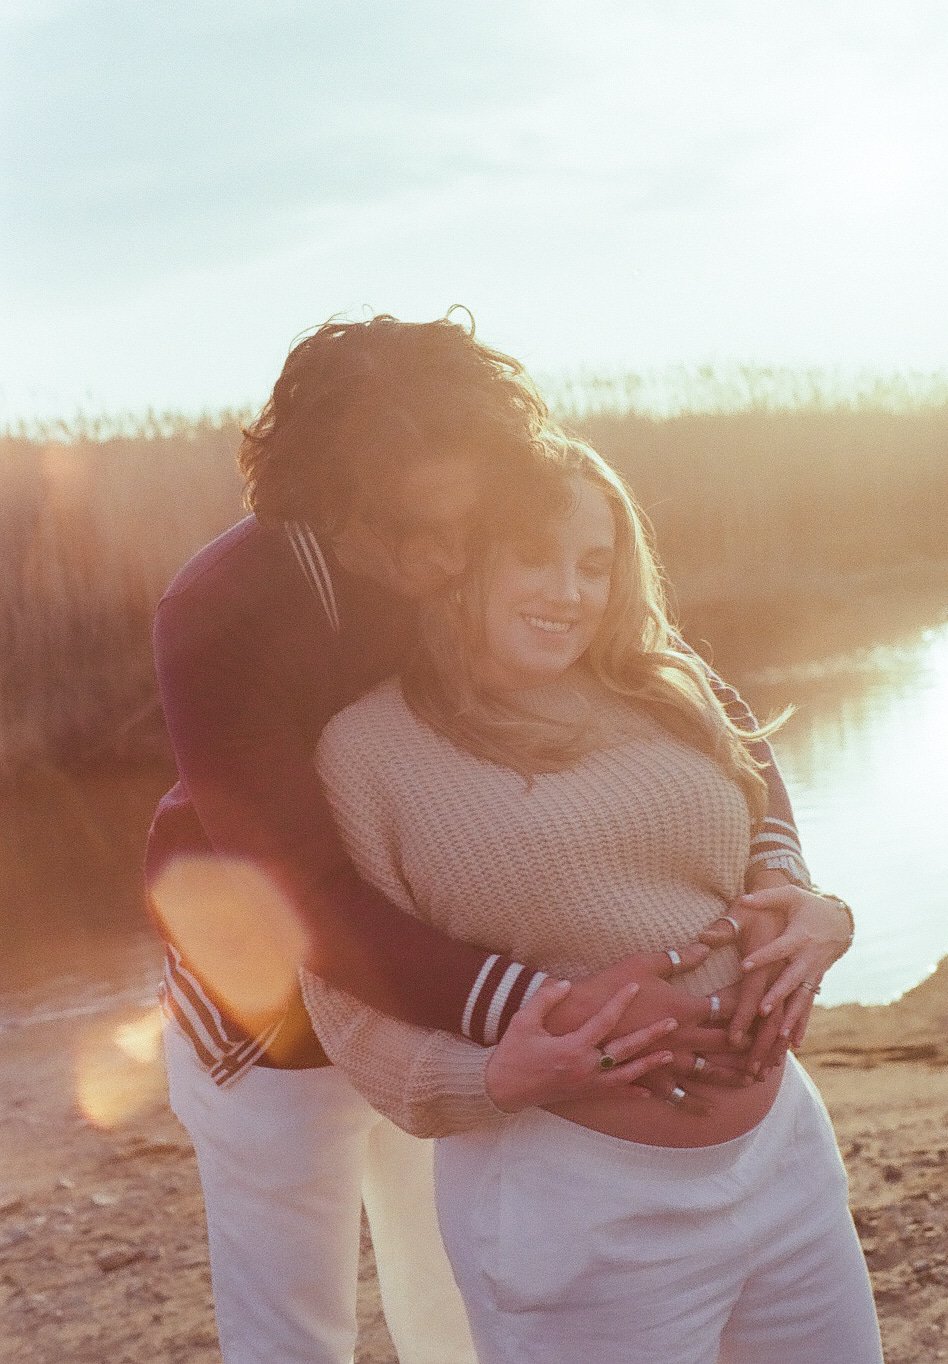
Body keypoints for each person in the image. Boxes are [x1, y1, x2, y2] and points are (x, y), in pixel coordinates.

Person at [148, 312, 825, 1363]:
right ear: (319, 507)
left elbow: (682, 686)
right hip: (276, 1015)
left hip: (460, 997)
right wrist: (549, 1009)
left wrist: (781, 869)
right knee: (292, 1334)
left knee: (458, 1317)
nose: (433, 559)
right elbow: (304, 892)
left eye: (454, 522)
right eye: (397, 530)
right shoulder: (219, 610)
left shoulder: (495, 529)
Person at [300, 431, 882, 1363]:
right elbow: (343, 988)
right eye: (534, 557)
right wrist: (489, 1078)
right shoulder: (369, 751)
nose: (568, 593)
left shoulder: (667, 685)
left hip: (783, 1162)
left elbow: (758, 819)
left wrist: (815, 908)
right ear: (458, 562)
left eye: (595, 565)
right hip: (574, 1208)